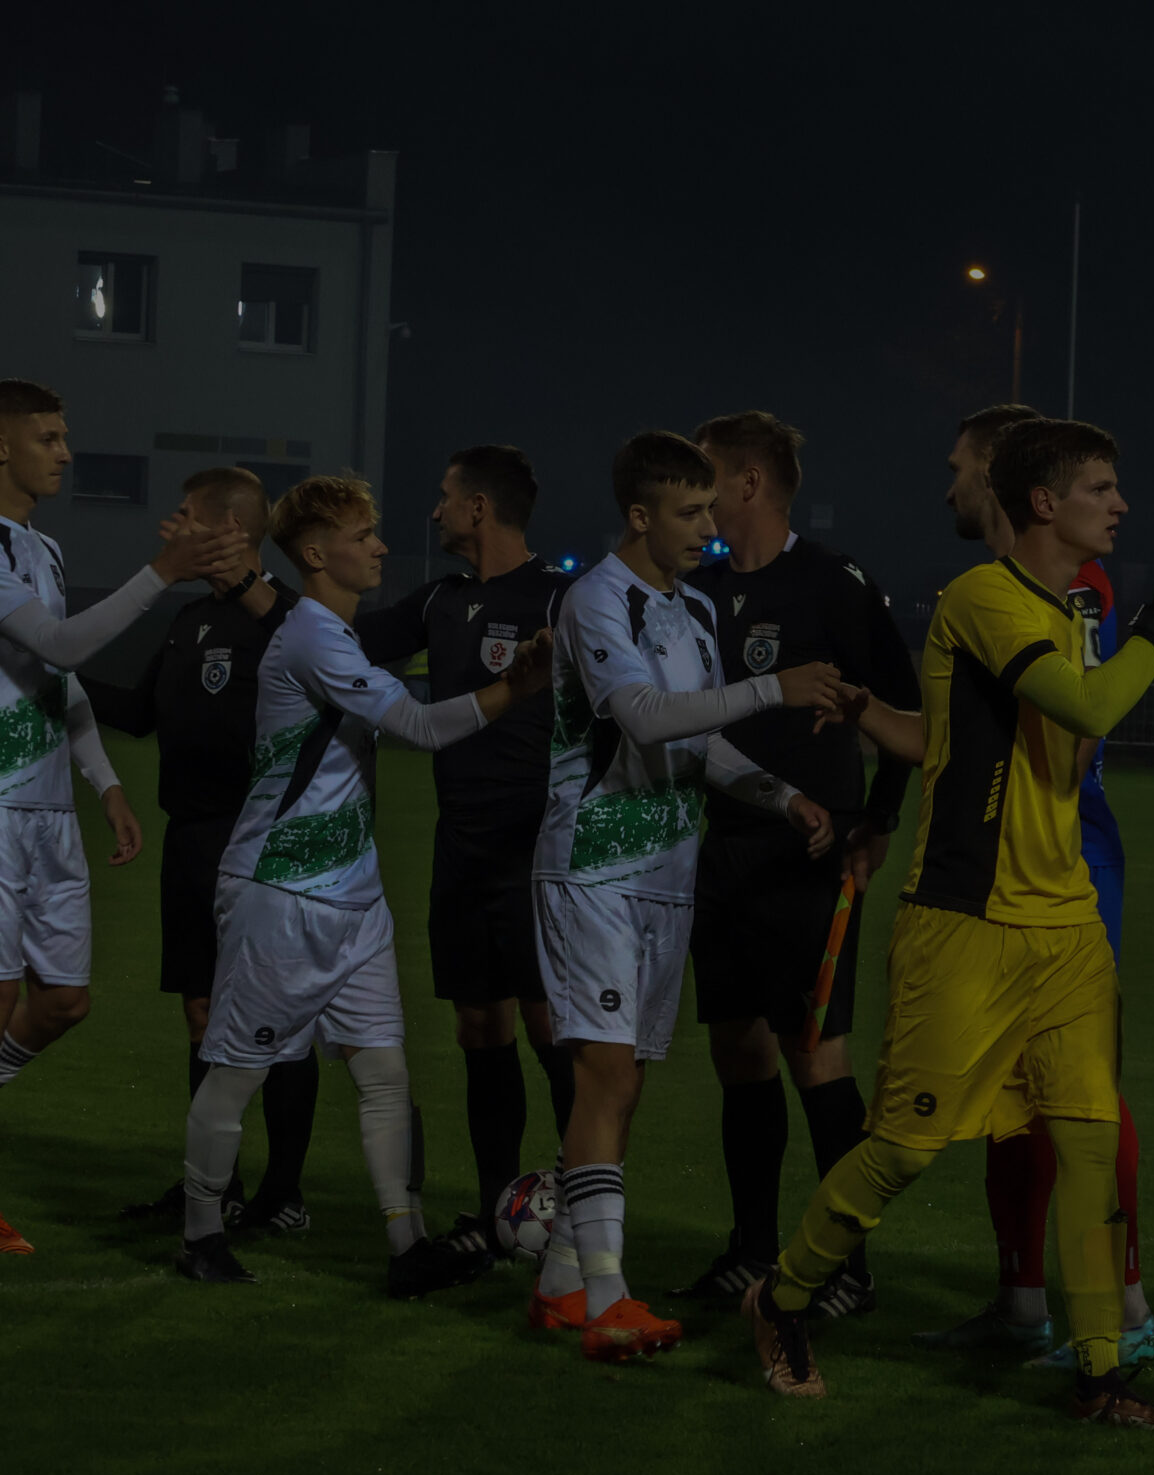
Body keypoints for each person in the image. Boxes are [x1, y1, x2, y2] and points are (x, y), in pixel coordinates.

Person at [738, 417, 1154, 1431]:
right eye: (1100, 487)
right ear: (1044, 502)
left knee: (1086, 1147)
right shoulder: (984, 597)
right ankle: (780, 1298)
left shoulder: (1064, 610)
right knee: (904, 1149)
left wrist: (869, 713)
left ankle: (1100, 1377)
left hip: (1066, 926)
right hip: (967, 925)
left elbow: (1011, 745)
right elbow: (1088, 711)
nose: (1120, 504)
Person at [172, 475, 549, 1295]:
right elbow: (417, 724)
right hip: (282, 893)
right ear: (316, 554)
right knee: (236, 1072)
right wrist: (514, 688)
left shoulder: (334, 633)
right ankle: (200, 1233)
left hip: (354, 896)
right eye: (362, 535)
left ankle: (407, 1245)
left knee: (384, 1074)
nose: (380, 546)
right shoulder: (314, 637)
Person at [526, 431, 845, 1361]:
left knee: (624, 1085)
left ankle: (560, 1281)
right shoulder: (596, 600)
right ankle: (607, 1297)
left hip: (666, 876)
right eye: (688, 512)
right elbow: (642, 716)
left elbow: (696, 741)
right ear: (639, 515)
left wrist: (780, 795)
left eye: (711, 508)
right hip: (593, 868)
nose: (708, 527)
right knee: (607, 1074)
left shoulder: (695, 610)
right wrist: (773, 687)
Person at [912, 402, 1154, 1364]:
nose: (949, 487)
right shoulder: (992, 590)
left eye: (958, 467)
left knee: (1081, 1088)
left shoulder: (1073, 586)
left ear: (1003, 479)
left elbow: (1078, 730)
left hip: (1065, 851)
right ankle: (1020, 1300)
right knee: (1008, 1087)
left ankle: (1125, 1308)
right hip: (1003, 856)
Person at [672, 411, 918, 1315]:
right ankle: (751, 1249)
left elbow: (905, 711)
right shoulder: (695, 591)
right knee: (739, 1052)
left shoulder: (832, 583)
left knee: (816, 1056)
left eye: (706, 475)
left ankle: (846, 1267)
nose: (696, 495)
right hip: (724, 850)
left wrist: (878, 820)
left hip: (812, 855)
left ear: (747, 482)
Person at [0, 378, 246, 1256]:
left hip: (48, 811)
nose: (65, 452)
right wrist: (163, 572)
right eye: (49, 437)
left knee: (64, 1002)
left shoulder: (45, 548)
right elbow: (61, 643)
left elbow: (56, 677)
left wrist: (102, 781)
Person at [87, 467, 322, 1234]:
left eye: (186, 514)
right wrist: (49, 675)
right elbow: (137, 712)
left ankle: (283, 1194)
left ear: (229, 528)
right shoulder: (188, 619)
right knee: (201, 1014)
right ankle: (213, 1187)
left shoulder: (290, 619)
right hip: (190, 841)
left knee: (275, 1022)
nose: (173, 524)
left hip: (261, 843)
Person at [354, 445, 572, 1248]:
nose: (436, 510)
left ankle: (582, 1206)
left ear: (479, 507)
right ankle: (497, 1209)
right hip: (462, 845)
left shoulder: (562, 599)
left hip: (535, 848)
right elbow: (344, 634)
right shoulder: (440, 600)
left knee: (552, 1031)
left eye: (446, 497)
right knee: (480, 1028)